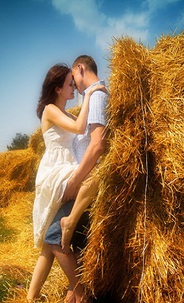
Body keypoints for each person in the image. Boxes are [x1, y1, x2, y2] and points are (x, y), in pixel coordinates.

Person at [27, 63, 105, 303]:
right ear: (57, 87)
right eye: (70, 84)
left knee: (48, 247)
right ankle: (80, 293)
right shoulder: (50, 110)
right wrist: (91, 94)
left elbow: (81, 128)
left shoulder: (67, 113)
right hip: (57, 174)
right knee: (54, 239)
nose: (74, 87)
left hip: (66, 170)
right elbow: (80, 128)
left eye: (75, 83)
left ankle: (29, 300)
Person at [60, 55, 108, 255]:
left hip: (87, 187)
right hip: (86, 185)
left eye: (73, 77)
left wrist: (73, 182)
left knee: (81, 249)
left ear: (80, 68)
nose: (74, 84)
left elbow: (97, 145)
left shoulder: (96, 96)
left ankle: (79, 288)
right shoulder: (94, 97)